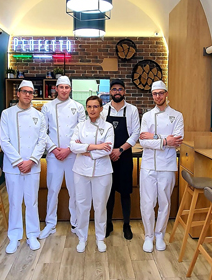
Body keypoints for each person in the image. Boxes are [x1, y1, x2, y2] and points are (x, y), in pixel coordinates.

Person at [0, 80, 48, 253]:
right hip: (13, 166)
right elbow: (4, 141)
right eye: (25, 91)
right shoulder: (7, 114)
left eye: (31, 92)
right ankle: (14, 236)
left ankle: (33, 234)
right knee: (14, 201)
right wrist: (19, 162)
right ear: (18, 93)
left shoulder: (39, 116)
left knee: (32, 201)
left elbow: (42, 141)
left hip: (32, 166)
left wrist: (32, 160)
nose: (28, 95)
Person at [139, 80, 184, 253]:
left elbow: (177, 140)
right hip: (148, 165)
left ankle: (159, 235)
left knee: (164, 202)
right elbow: (143, 141)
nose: (158, 96)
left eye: (160, 93)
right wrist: (165, 140)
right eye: (155, 94)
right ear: (152, 96)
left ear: (166, 94)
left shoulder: (177, 116)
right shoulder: (147, 116)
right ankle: (148, 235)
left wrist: (154, 137)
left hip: (167, 165)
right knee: (147, 203)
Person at [39, 76, 86, 240]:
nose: (64, 90)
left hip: (73, 155)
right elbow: (43, 132)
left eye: (67, 87)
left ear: (70, 89)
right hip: (54, 156)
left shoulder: (78, 107)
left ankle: (76, 223)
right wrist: (54, 149)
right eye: (61, 87)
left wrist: (68, 149)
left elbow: (81, 132)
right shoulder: (47, 107)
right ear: (56, 89)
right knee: (53, 190)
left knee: (75, 191)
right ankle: (50, 223)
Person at [69, 95, 114, 253]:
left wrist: (85, 149)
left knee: (100, 206)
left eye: (95, 106)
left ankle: (100, 238)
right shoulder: (80, 126)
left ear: (101, 108)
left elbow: (108, 149)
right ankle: (82, 238)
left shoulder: (108, 127)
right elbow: (73, 146)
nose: (92, 109)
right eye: (89, 106)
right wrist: (95, 147)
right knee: (82, 205)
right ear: (86, 108)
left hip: (102, 171)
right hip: (81, 171)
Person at [102, 79, 140, 240]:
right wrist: (110, 150)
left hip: (124, 156)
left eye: (120, 89)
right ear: (110, 92)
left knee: (125, 192)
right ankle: (108, 224)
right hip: (107, 156)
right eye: (114, 89)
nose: (117, 92)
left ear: (124, 91)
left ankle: (126, 225)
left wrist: (120, 150)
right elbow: (101, 132)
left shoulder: (132, 110)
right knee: (108, 193)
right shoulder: (103, 110)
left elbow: (136, 133)